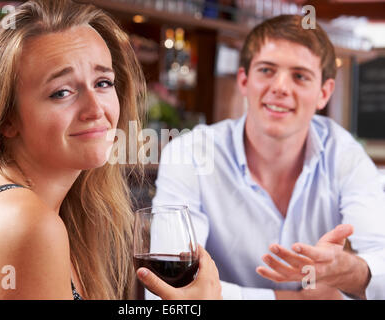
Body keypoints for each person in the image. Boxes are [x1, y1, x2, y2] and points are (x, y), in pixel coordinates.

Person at [0, 0, 221, 300]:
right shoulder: (25, 224)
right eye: (62, 92)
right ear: (7, 119)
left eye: (103, 82)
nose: (96, 109)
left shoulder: (33, 207)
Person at [152, 15, 385, 300]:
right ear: (244, 80)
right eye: (267, 70)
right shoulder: (189, 153)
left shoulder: (346, 156)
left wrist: (348, 269)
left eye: (300, 76)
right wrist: (294, 299)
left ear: (324, 93)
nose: (280, 87)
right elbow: (169, 288)